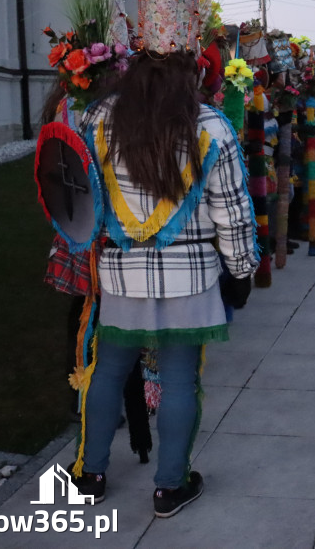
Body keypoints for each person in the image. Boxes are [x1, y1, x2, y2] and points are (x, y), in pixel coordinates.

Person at [73, 51, 259, 517]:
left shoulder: (98, 117)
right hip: (190, 275)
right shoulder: (212, 124)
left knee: (107, 371)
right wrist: (241, 270)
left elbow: (80, 194)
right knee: (179, 379)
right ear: (191, 72)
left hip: (120, 271)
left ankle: (90, 475)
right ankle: (169, 487)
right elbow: (232, 211)